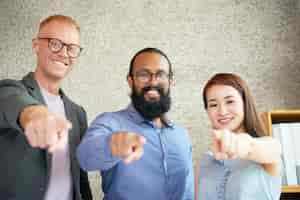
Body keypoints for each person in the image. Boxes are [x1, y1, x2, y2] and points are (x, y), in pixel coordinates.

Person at [77, 47, 194, 200]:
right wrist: (111, 145)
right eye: (144, 75)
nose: (153, 82)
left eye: (160, 75)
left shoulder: (181, 134)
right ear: (130, 81)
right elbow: (85, 157)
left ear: (170, 81)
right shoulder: (110, 123)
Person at [0, 15, 92, 200]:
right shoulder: (10, 89)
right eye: (55, 43)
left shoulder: (78, 113)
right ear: (36, 45)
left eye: (72, 48)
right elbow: (13, 101)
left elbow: (81, 178)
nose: (64, 53)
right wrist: (34, 115)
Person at [195, 73, 282, 200]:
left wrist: (243, 145)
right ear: (207, 111)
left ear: (245, 103)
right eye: (213, 105)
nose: (222, 111)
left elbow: (274, 149)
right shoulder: (204, 162)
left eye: (230, 101)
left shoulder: (265, 150)